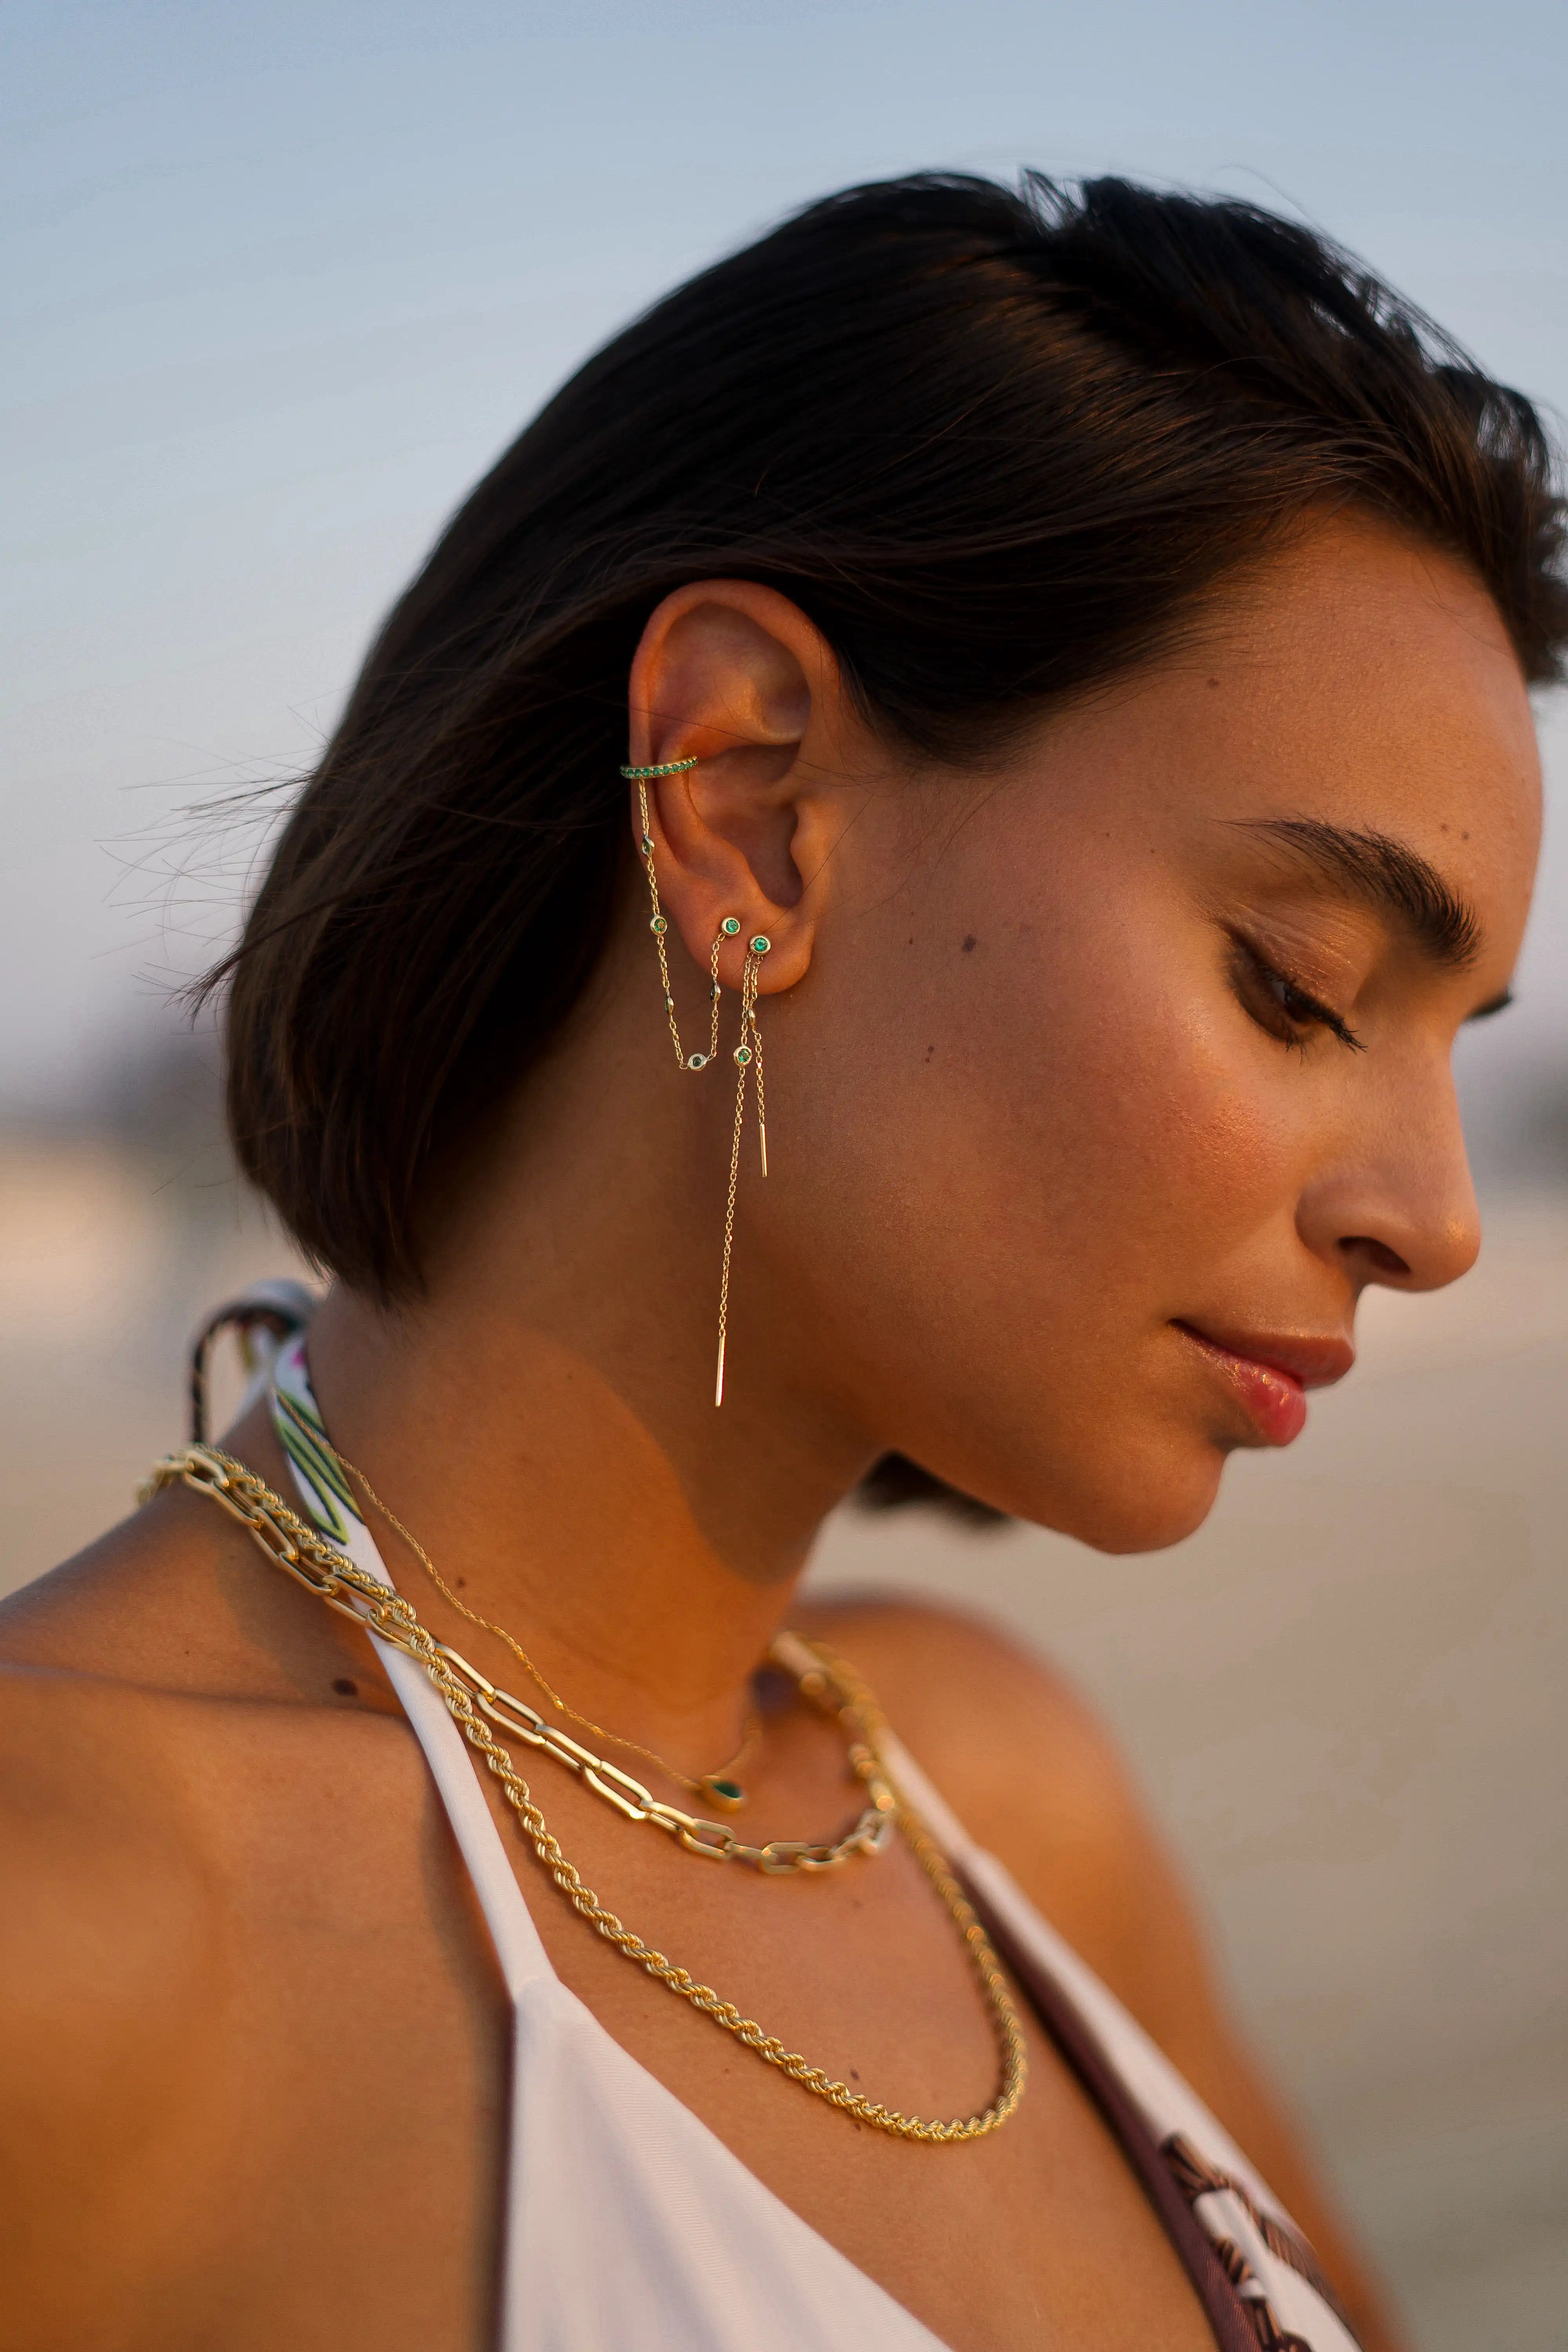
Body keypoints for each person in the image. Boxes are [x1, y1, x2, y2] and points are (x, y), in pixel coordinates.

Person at [1, 170, 1560, 2352]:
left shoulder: (1004, 1801)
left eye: (1452, 1046)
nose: (1439, 1215)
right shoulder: (61, 1940)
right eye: (1300, 988)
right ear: (746, 803)